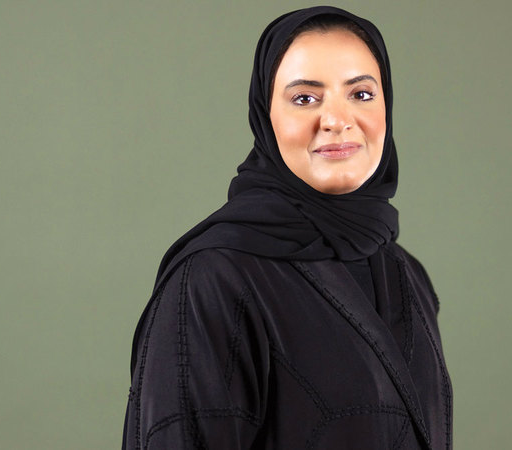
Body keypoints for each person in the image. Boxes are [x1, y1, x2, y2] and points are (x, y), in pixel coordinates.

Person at [123, 6, 452, 449]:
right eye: (305, 99)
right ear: (266, 117)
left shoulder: (406, 274)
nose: (337, 119)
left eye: (361, 94)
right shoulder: (213, 280)